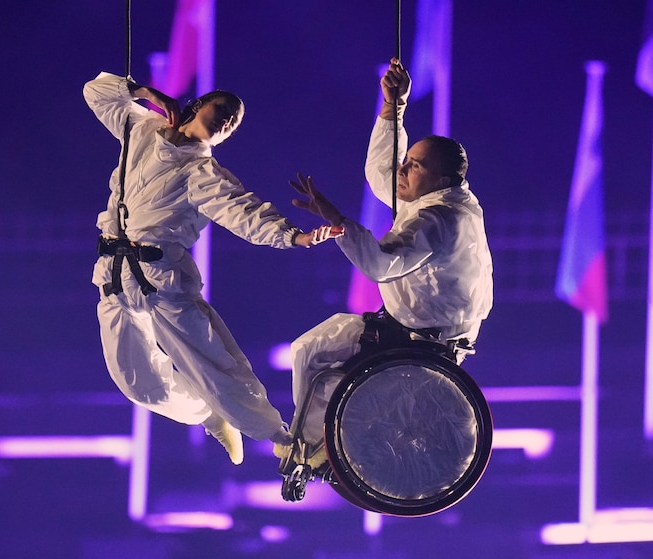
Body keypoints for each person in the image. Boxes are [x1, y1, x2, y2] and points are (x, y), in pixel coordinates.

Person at [83, 72, 334, 465]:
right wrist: (145, 92)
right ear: (198, 105)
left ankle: (280, 438)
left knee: (214, 365)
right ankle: (206, 414)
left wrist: (293, 236)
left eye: (234, 122)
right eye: (225, 110)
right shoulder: (140, 127)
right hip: (115, 275)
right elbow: (95, 92)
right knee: (137, 383)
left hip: (161, 279)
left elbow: (243, 210)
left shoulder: (203, 173)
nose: (228, 121)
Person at [283, 58, 494, 461]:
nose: (403, 169)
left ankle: (320, 447)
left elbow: (381, 264)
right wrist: (391, 109)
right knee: (309, 353)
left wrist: (336, 221)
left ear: (441, 180)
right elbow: (383, 172)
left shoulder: (439, 218)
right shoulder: (437, 196)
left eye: (413, 166)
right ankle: (316, 445)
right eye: (407, 160)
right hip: (416, 326)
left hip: (425, 338)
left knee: (315, 358)